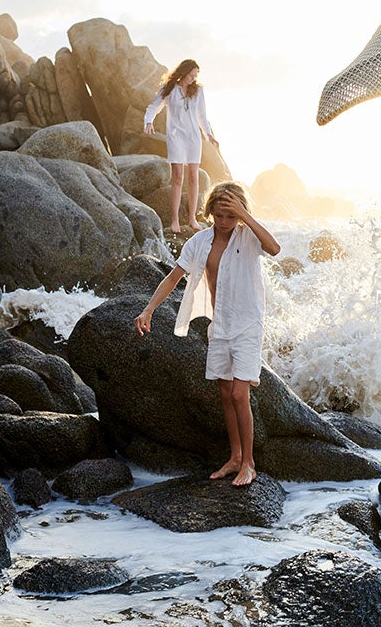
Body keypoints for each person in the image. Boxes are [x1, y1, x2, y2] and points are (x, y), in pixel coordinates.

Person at [134, 181, 281, 486]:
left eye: (230, 216)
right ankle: (235, 457)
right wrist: (149, 309)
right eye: (219, 215)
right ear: (211, 212)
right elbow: (174, 277)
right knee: (225, 393)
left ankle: (250, 464)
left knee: (241, 394)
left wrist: (244, 214)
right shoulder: (200, 242)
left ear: (239, 214)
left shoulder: (248, 236)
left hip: (247, 324)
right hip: (221, 324)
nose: (224, 222)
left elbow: (274, 248)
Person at [144, 59, 218, 233]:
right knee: (177, 177)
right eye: (191, 74)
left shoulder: (198, 91)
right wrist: (148, 122)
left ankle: (192, 218)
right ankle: (175, 220)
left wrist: (208, 135)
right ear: (183, 72)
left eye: (195, 75)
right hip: (176, 137)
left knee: (193, 176)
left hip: (193, 137)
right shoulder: (169, 89)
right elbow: (153, 107)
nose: (193, 78)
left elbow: (202, 115)